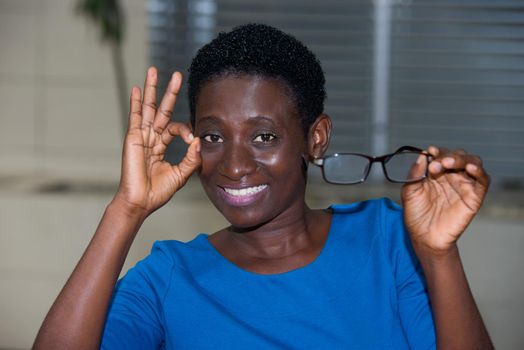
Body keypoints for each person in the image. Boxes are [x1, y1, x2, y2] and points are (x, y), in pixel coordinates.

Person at [33, 24, 493, 349]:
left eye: (263, 136)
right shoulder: (168, 277)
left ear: (315, 138)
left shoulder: (390, 240)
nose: (234, 165)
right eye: (214, 136)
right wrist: (126, 210)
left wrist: (439, 256)